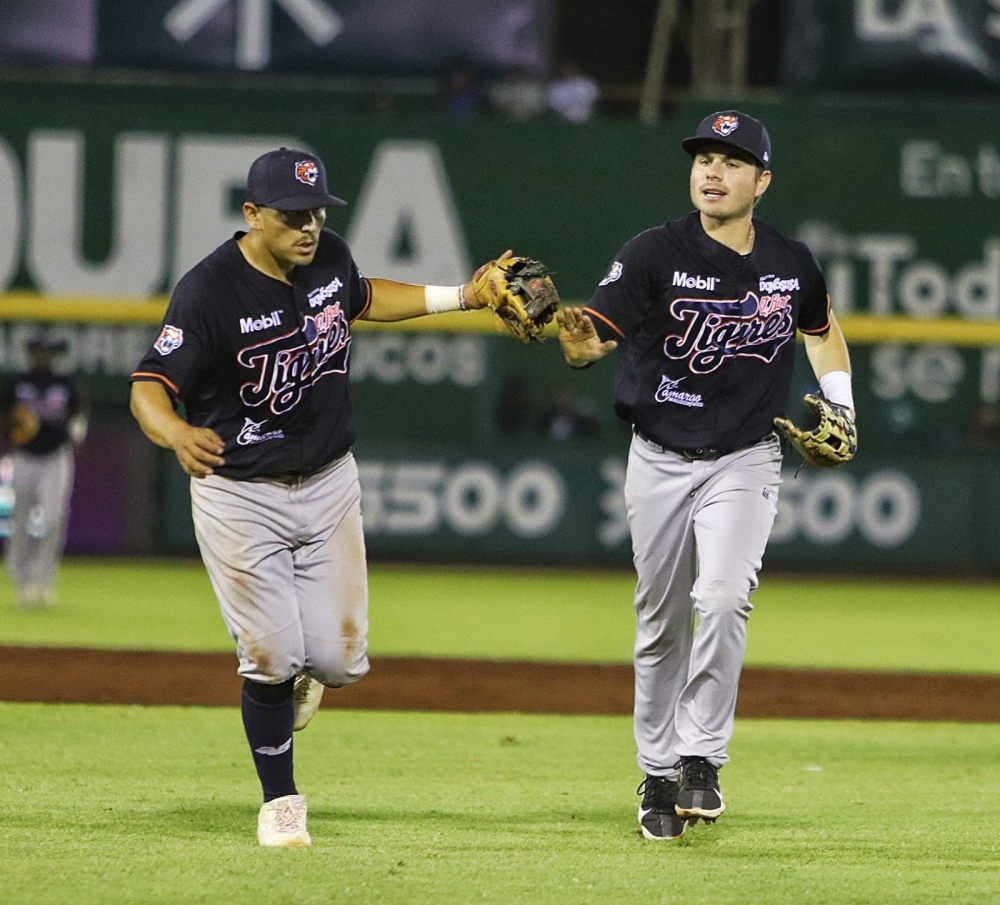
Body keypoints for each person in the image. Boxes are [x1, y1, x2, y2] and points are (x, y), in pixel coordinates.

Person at [129, 147, 508, 848]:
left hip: (330, 481)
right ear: (252, 215)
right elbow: (149, 383)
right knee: (270, 655)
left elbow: (363, 297)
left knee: (338, 661)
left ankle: (295, 673)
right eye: (292, 215)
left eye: (316, 212)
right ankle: (280, 800)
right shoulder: (209, 289)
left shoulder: (327, 255)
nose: (309, 226)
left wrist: (463, 294)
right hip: (241, 492)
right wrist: (176, 430)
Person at [556, 111, 856, 840]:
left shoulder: (791, 261)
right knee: (661, 620)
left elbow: (818, 327)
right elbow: (590, 341)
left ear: (763, 180)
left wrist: (843, 403)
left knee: (723, 598)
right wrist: (568, 335)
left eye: (731, 161)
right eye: (703, 159)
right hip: (658, 456)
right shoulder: (654, 252)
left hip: (747, 455)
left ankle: (701, 758)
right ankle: (656, 772)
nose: (712, 172)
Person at [0, 333, 87, 609]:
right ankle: (21, 582)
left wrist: (77, 433)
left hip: (55, 457)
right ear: (31, 353)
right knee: (20, 519)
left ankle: (43, 582)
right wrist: (17, 423)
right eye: (38, 351)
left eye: (47, 352)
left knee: (52, 519)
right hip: (24, 457)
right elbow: (5, 413)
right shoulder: (17, 382)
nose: (42, 356)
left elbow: (78, 414)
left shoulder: (65, 383)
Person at [546, 59, 600, 123]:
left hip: (586, 117)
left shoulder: (587, 83)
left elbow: (594, 98)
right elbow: (552, 103)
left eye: (572, 69)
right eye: (567, 69)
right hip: (563, 118)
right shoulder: (556, 86)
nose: (569, 71)